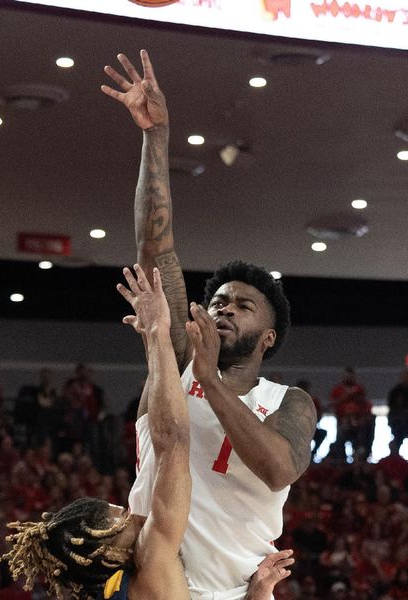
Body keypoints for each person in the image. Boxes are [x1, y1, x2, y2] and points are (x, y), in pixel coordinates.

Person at [102, 50, 316, 599]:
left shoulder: (289, 401)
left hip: (233, 592)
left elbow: (276, 469)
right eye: (218, 300)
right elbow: (157, 247)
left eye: (242, 306)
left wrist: (212, 381)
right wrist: (156, 136)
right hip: (155, 578)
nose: (223, 307)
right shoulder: (177, 359)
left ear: (268, 338)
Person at [0, 266, 293, 599]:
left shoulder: (118, 586)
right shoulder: (153, 569)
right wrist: (156, 332)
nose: (135, 515)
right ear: (103, 552)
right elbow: (172, 445)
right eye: (121, 519)